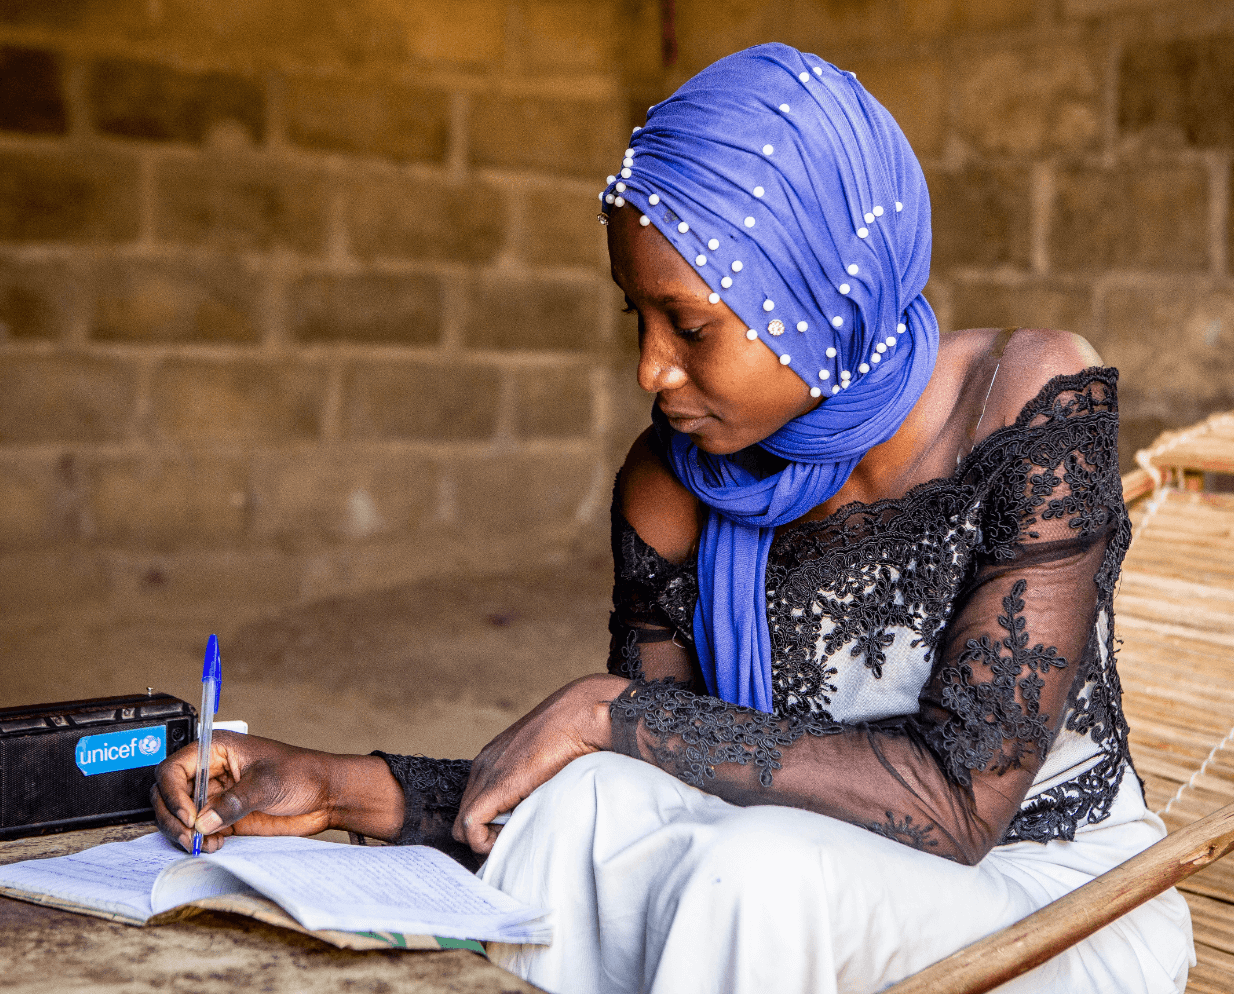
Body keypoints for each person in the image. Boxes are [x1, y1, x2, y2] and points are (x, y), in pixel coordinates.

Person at [153, 44, 1193, 994]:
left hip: (1055, 903)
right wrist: (338, 788)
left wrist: (607, 714)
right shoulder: (674, 481)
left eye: (690, 326)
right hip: (813, 875)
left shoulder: (1027, 398)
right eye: (636, 318)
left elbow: (961, 801)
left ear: (817, 294)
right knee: (588, 807)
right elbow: (648, 775)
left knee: (755, 873)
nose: (651, 369)